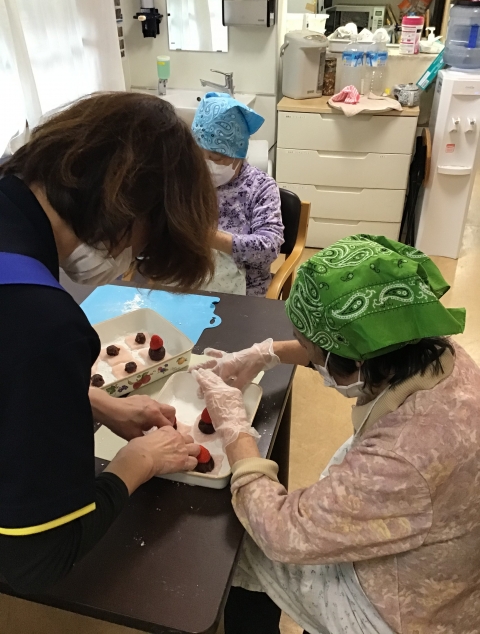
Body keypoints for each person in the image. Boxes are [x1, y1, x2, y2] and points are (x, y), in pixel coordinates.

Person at [192, 234, 480, 634]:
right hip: (446, 545)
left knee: (239, 542)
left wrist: (234, 426)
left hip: (405, 609)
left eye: (309, 348)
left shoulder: (401, 456)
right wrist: (265, 353)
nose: (307, 353)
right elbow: (348, 345)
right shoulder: (431, 350)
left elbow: (282, 534)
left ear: (356, 360)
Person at [0, 92, 219, 593]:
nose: (125, 264)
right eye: (138, 252)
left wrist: (91, 401)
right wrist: (136, 463)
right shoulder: (44, 324)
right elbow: (35, 561)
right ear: (127, 211)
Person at [191, 92, 284, 297]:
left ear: (238, 155)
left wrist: (207, 237)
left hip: (242, 293)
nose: (206, 165)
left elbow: (269, 248)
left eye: (216, 158)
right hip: (189, 281)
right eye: (199, 156)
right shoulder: (187, 180)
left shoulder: (260, 187)